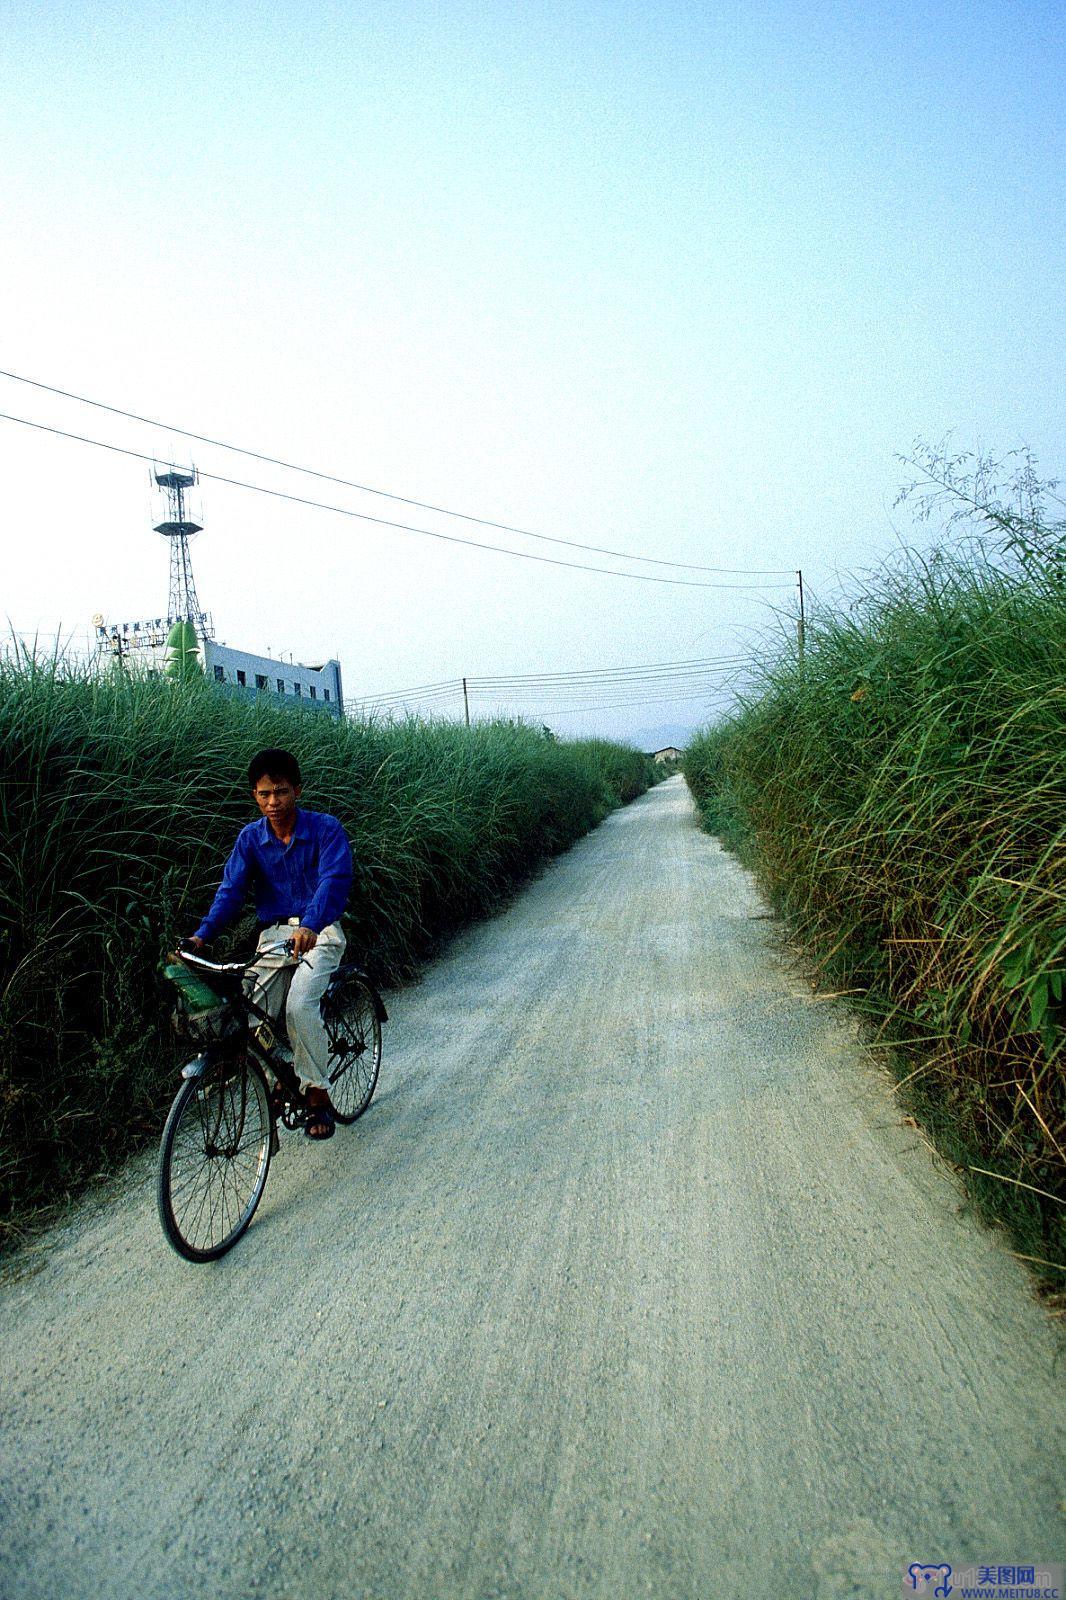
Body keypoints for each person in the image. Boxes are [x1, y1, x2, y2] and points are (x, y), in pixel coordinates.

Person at [186, 747, 353, 1140]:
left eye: (280, 792)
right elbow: (230, 892)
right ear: (254, 796)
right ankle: (275, 1079)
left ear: (297, 790)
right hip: (275, 938)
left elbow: (333, 881)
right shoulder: (250, 839)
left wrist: (311, 924)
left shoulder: (326, 829)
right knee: (250, 1013)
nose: (273, 802)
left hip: (321, 932)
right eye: (264, 795)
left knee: (298, 1007)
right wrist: (201, 936)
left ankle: (316, 1093)